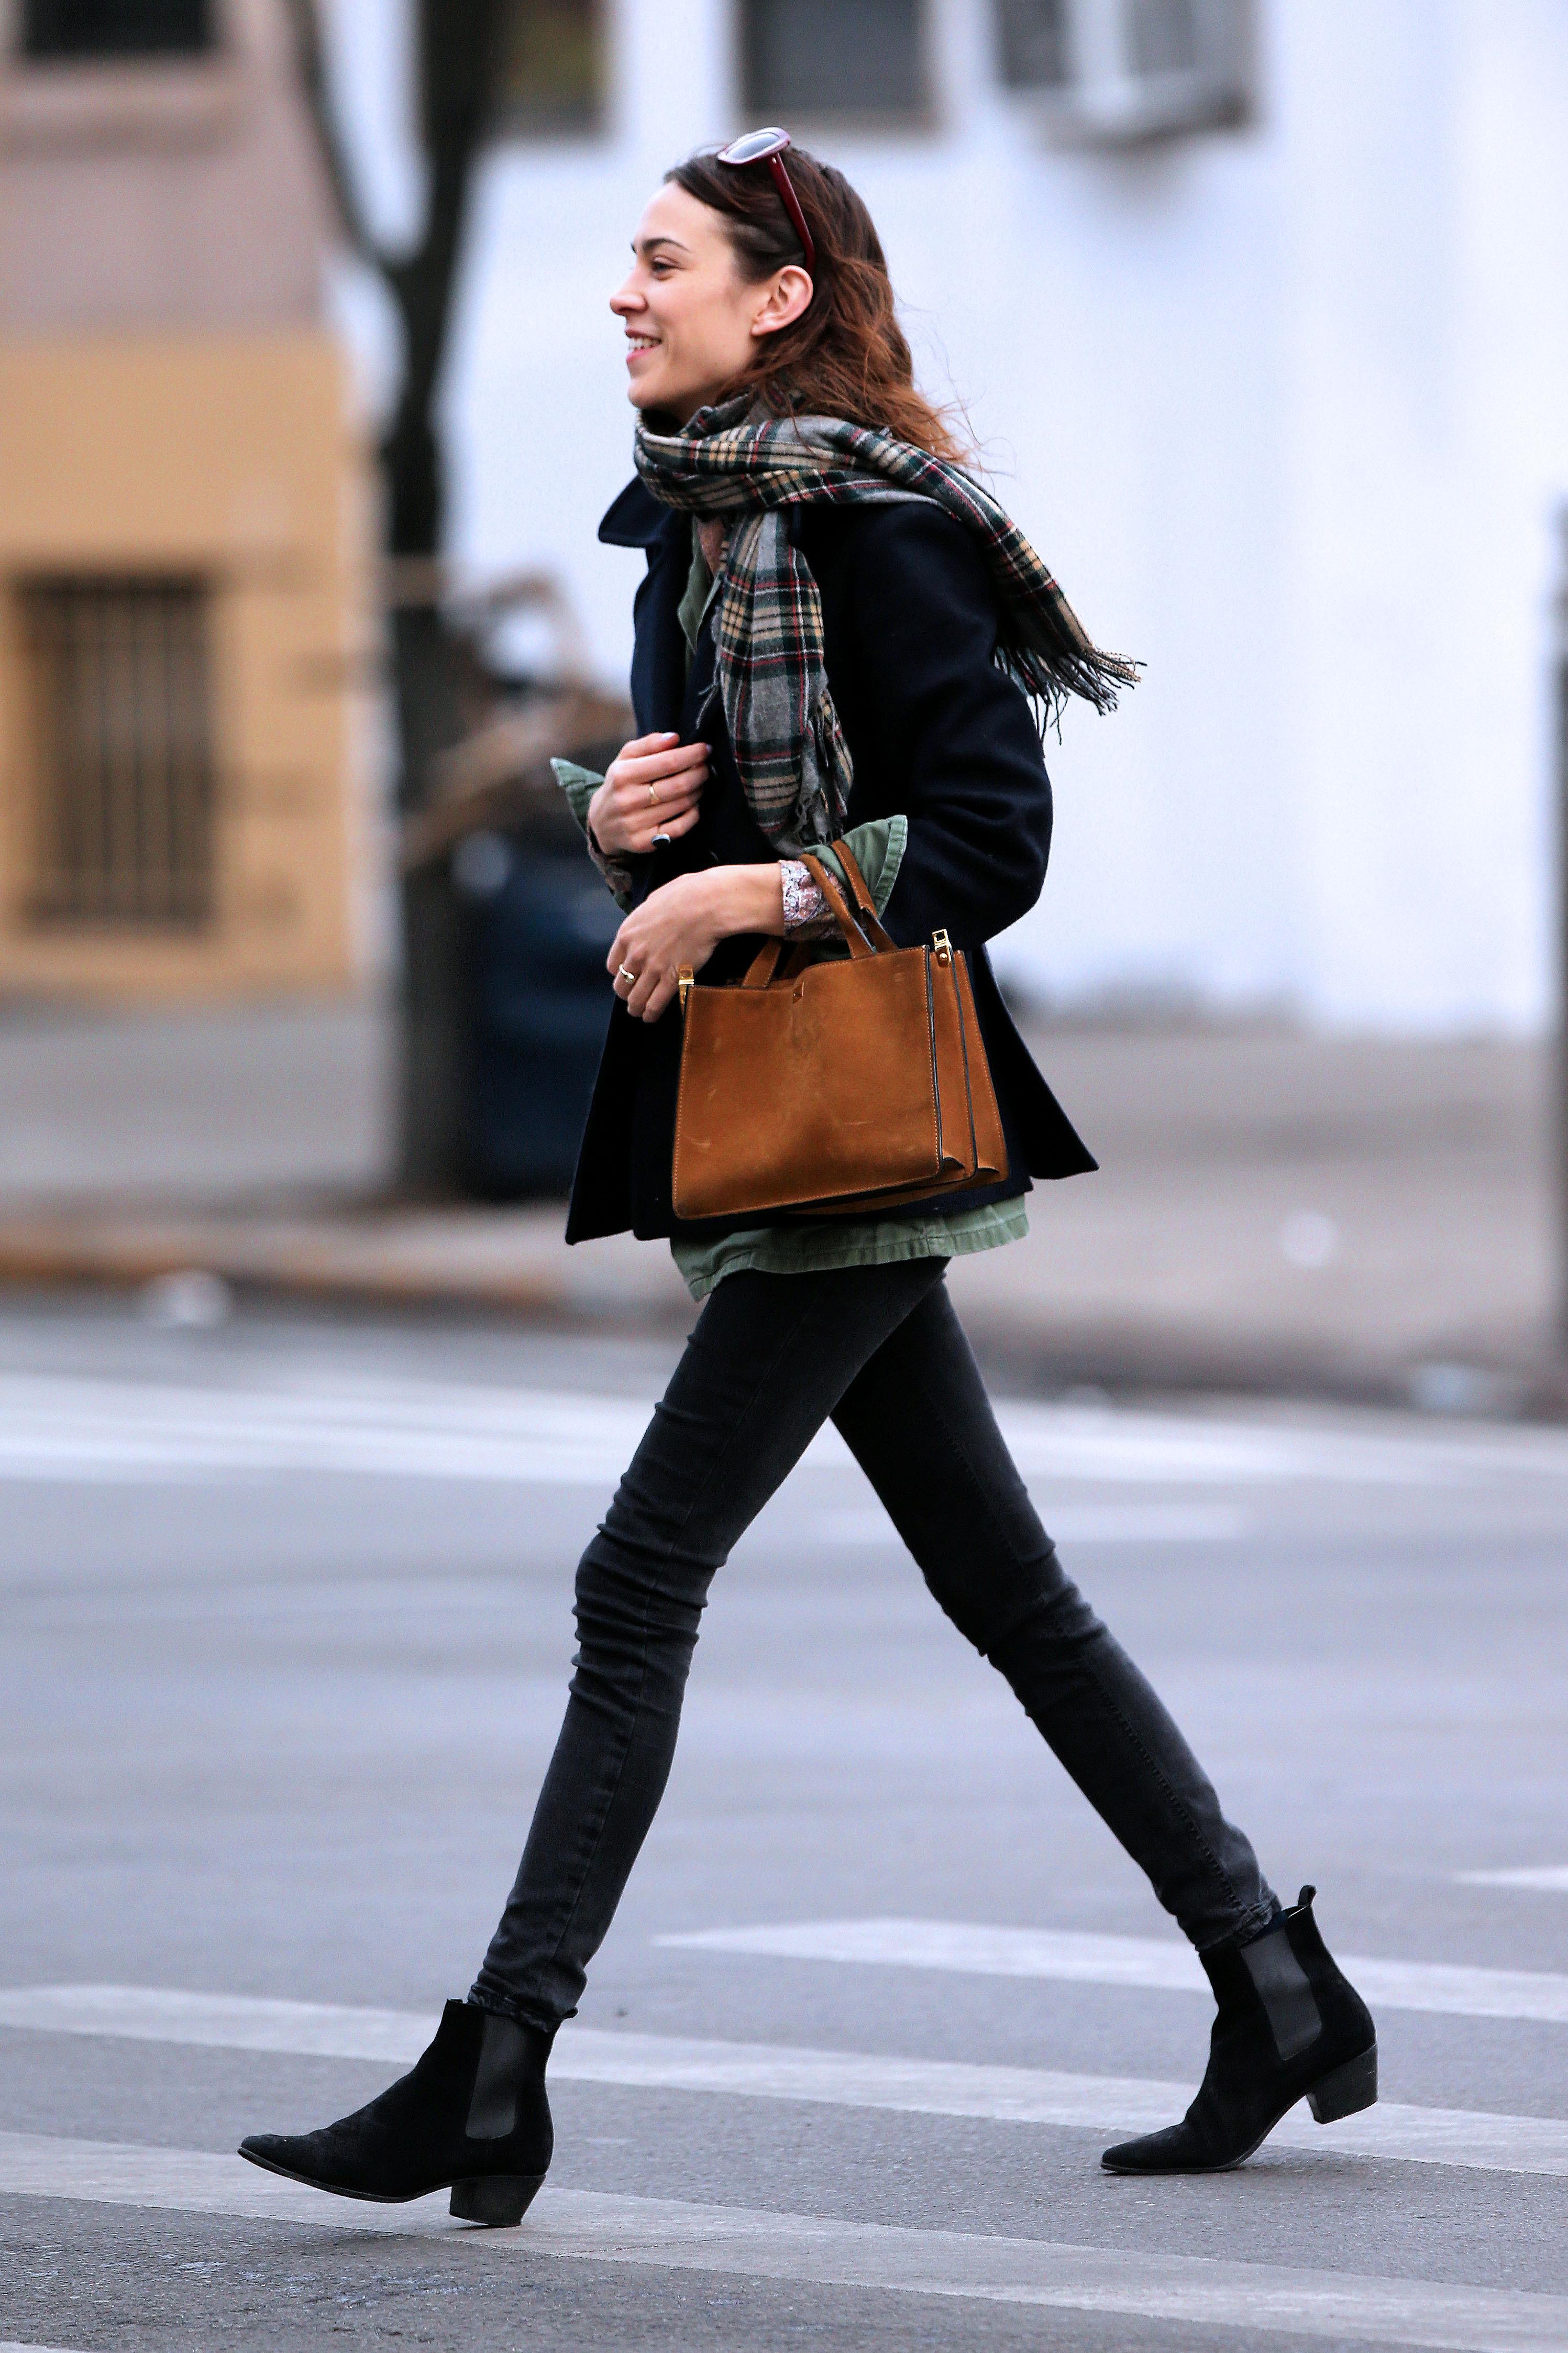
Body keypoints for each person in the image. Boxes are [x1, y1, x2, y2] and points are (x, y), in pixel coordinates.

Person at [239, 132, 1375, 2226]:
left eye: (657, 262)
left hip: (858, 1122)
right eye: (622, 263)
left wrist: (745, 876)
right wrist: (625, 821)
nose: (620, 294)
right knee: (1007, 1589)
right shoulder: (694, 523)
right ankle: (1272, 1980)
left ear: (776, 298)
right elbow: (712, 835)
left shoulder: (864, 526)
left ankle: (497, 2065)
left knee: (636, 1571)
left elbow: (987, 839)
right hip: (786, 1118)